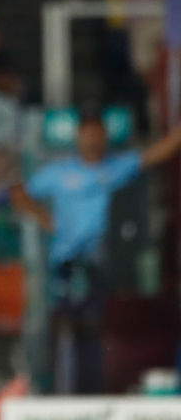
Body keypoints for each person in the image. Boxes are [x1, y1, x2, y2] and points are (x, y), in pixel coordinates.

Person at [11, 111, 181, 394]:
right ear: (78, 138)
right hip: (64, 260)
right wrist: (44, 218)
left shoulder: (115, 168)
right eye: (87, 136)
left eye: (97, 136)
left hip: (101, 261)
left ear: (104, 139)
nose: (91, 142)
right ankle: (54, 388)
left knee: (96, 326)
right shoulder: (60, 173)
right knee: (62, 323)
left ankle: (91, 390)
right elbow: (19, 193)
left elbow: (158, 153)